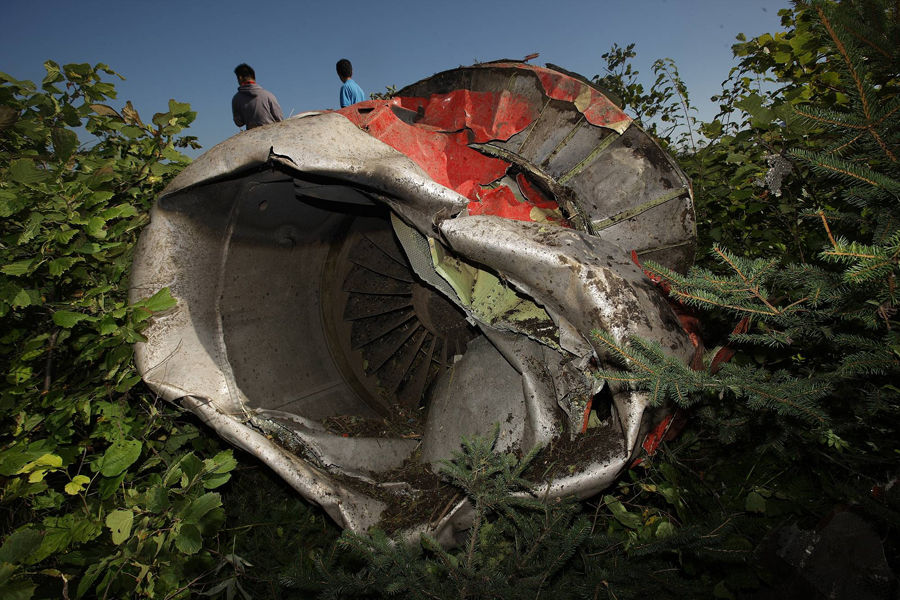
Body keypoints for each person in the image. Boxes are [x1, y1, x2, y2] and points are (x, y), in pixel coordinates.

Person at [231, 63, 284, 130]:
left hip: (252, 137)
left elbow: (239, 123)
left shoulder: (236, 99)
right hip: (272, 134)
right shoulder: (268, 95)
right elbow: (280, 118)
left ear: (240, 78)